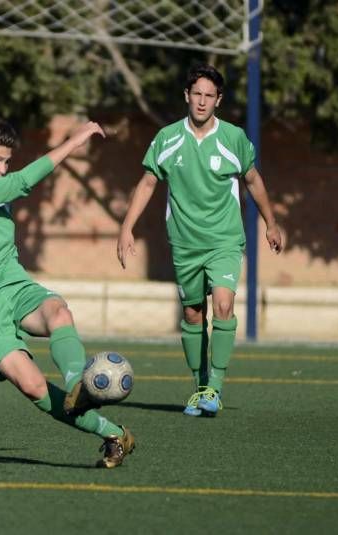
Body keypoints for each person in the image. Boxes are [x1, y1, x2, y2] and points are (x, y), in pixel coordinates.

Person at [0, 115, 135, 468]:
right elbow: (25, 180)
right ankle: (112, 433)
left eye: (6, 162)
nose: (2, 169)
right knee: (32, 386)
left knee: (58, 311)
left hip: (14, 285)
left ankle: (80, 384)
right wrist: (74, 142)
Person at [116, 64, 284, 417]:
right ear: (187, 96)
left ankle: (215, 388)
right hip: (185, 243)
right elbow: (148, 182)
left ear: (218, 100)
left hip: (224, 239)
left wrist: (270, 222)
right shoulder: (166, 138)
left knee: (223, 305)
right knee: (194, 315)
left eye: (210, 95)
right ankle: (200, 384)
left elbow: (253, 180)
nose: (202, 101)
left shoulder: (234, 138)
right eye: (197, 94)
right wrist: (126, 227)